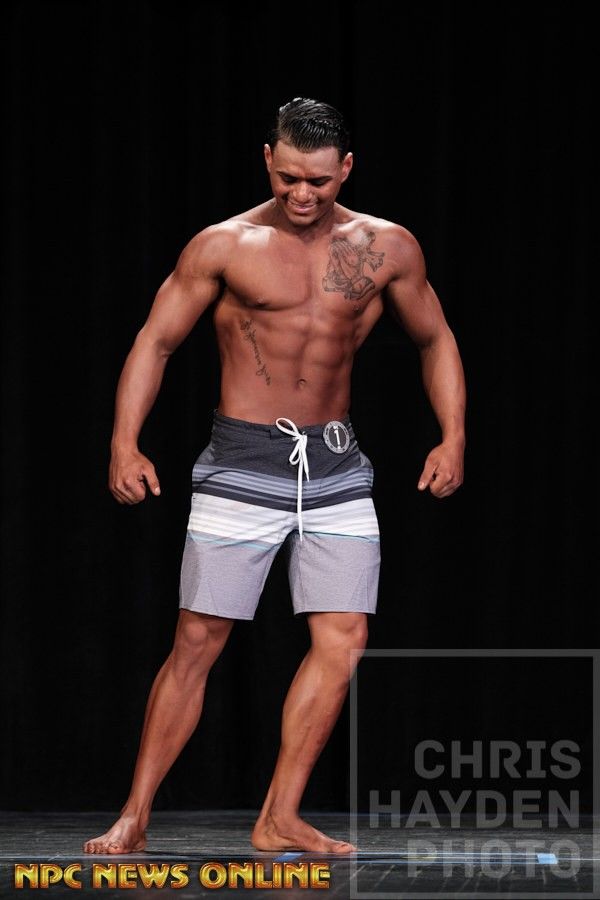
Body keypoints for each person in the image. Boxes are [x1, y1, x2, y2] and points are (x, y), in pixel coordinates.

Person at [83, 97, 465, 856]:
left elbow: (435, 338)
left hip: (337, 466)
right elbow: (155, 342)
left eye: (318, 181)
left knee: (344, 638)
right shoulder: (224, 246)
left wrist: (453, 436)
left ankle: (279, 815)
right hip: (242, 461)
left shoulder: (386, 246)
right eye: (289, 177)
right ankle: (135, 812)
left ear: (345, 168)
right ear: (268, 160)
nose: (302, 194)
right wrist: (125, 444)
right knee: (199, 638)